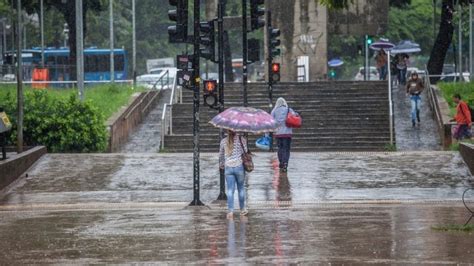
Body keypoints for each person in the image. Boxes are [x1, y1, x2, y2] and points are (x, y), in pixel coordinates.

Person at [219, 130, 248, 219]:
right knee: (241, 189)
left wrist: (221, 164)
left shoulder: (223, 141)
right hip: (239, 167)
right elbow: (245, 152)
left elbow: (221, 155)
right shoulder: (242, 139)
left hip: (228, 167)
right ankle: (242, 209)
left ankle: (230, 211)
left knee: (230, 190)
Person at [271, 97, 297, 172]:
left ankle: (281, 162)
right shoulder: (288, 109)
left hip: (278, 133)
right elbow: (294, 116)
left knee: (280, 148)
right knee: (286, 149)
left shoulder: (274, 111)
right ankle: (285, 163)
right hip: (287, 133)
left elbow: (271, 121)